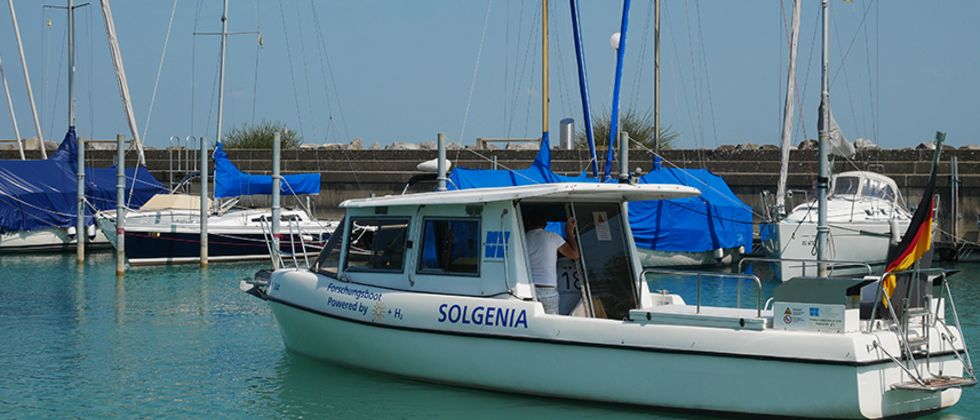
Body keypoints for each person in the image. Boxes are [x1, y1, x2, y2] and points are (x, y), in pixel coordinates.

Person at [525, 213, 579, 315]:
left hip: (529, 289)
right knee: (552, 327)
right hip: (548, 289)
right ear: (545, 224)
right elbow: (574, 254)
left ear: (528, 223)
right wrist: (569, 233)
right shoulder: (553, 237)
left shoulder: (523, 238)